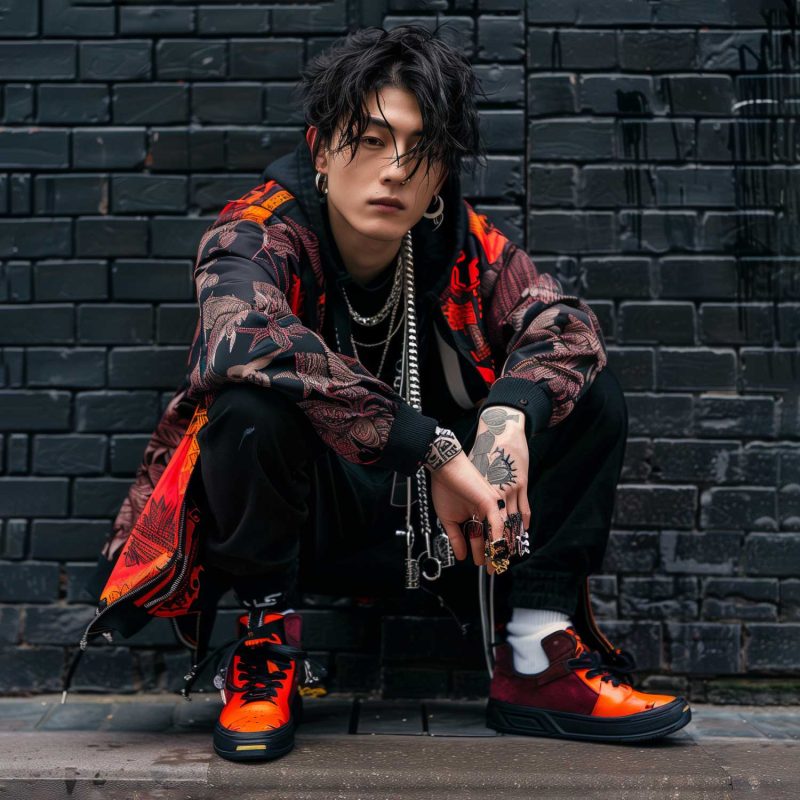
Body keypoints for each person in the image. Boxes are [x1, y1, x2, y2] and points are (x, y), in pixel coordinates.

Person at [72, 24, 691, 761]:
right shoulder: (259, 231)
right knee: (246, 405)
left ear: (440, 174)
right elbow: (242, 337)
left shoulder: (465, 245)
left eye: (420, 149)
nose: (395, 170)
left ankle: (535, 655)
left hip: (451, 527)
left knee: (587, 393)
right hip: (315, 519)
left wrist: (506, 418)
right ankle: (267, 645)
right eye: (370, 140)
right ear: (321, 150)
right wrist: (435, 450)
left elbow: (566, 328)